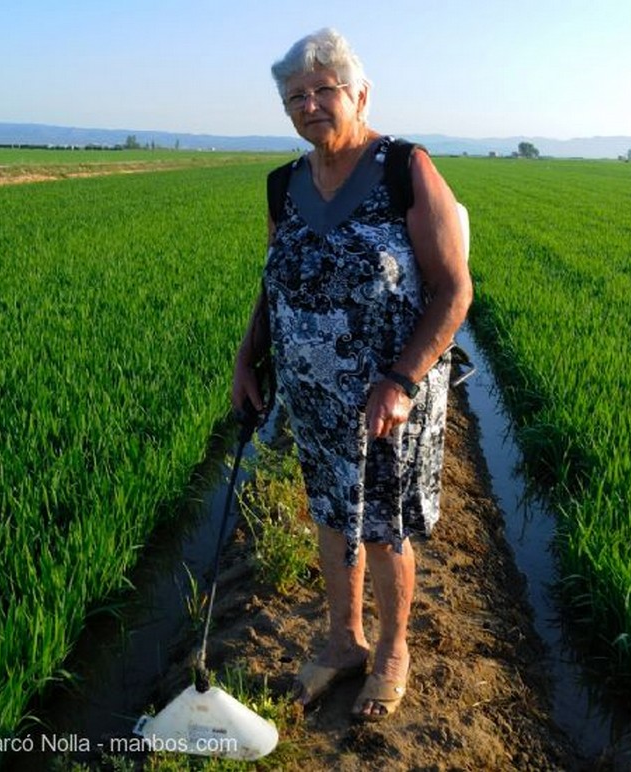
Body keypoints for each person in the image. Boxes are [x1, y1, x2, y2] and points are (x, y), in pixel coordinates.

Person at [232, 28, 472, 721]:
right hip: (312, 396)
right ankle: (343, 641)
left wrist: (400, 380)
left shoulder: (405, 168)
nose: (309, 105)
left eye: (323, 90)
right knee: (333, 513)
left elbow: (454, 290)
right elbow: (274, 279)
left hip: (388, 397)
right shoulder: (284, 184)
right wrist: (249, 356)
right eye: (294, 97)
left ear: (359, 94)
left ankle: (394, 649)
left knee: (383, 524)